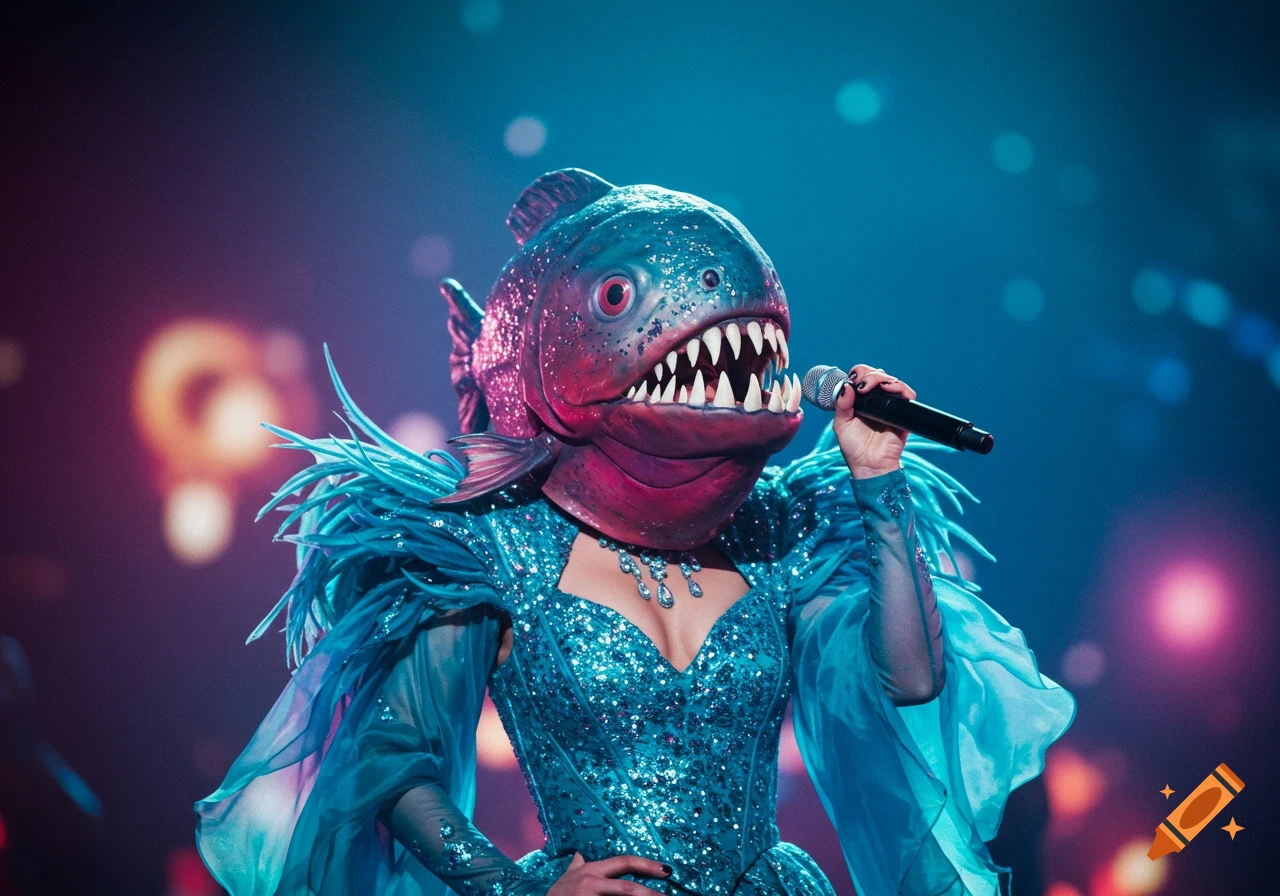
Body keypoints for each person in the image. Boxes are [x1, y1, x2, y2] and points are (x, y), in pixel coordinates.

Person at [195, 170, 1075, 896]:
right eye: (620, 296)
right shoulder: (490, 548)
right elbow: (392, 759)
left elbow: (913, 682)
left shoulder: (776, 535)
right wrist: (517, 889)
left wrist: (879, 482)